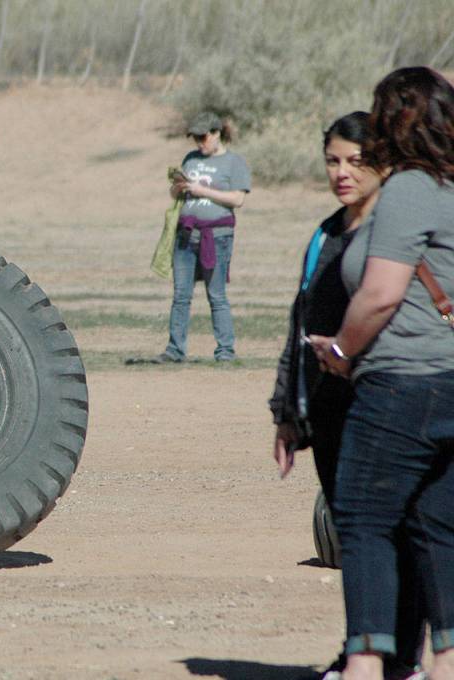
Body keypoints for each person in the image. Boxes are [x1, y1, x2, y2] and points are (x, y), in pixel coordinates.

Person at [309, 67, 454, 680]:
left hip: (400, 382)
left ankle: (364, 665)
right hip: (449, 383)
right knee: (435, 528)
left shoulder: (411, 190)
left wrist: (341, 352)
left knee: (362, 522)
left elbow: (379, 295)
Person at [269, 112, 425, 680]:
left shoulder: (397, 234)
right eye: (333, 160)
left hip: (386, 405)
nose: (342, 173)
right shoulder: (327, 232)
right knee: (357, 535)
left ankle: (400, 657)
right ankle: (366, 650)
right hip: (331, 410)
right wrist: (287, 412)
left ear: (384, 164)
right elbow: (300, 321)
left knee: (399, 536)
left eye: (356, 162)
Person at [157, 111, 251, 363]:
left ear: (217, 133)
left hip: (217, 236)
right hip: (186, 235)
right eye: (196, 138)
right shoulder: (190, 159)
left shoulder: (234, 163)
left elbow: (238, 199)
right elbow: (176, 196)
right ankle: (175, 350)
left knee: (216, 295)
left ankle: (225, 351)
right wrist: (178, 188)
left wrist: (202, 190)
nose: (199, 143)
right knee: (181, 295)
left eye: (203, 137)